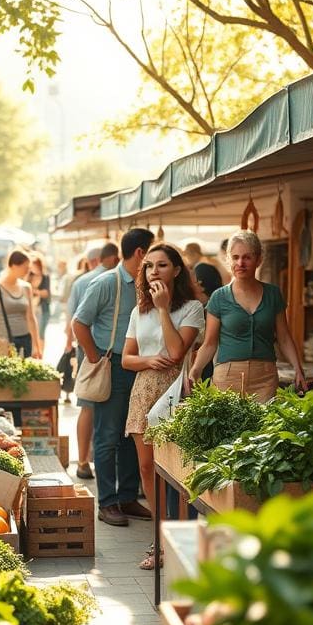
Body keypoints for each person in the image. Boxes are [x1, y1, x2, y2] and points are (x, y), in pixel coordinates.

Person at [121, 243, 204, 568]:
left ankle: (178, 541)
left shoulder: (192, 308)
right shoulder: (137, 310)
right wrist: (148, 360)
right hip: (144, 390)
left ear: (177, 270)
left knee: (176, 471)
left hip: (176, 393)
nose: (154, 271)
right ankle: (161, 537)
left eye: (162, 265)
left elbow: (177, 352)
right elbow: (127, 359)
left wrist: (163, 309)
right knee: (147, 468)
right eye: (149, 266)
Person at [73, 228, 155, 526]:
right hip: (115, 364)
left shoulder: (146, 284)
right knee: (107, 436)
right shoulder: (107, 282)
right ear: (140, 253)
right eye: (152, 253)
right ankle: (107, 503)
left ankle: (127, 497)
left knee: (132, 434)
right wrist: (96, 357)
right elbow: (79, 323)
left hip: (140, 366)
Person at [188, 230, 307, 401]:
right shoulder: (219, 297)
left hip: (265, 377)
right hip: (228, 377)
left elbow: (284, 338)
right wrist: (196, 370)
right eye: (235, 257)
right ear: (229, 260)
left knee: (265, 426)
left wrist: (298, 368)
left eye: (247, 257)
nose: (240, 263)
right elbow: (209, 343)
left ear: (259, 259)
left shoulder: (273, 294)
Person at [65, 241, 120, 479]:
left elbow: (73, 319)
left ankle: (83, 461)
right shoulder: (114, 281)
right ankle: (103, 460)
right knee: (107, 408)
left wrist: (77, 348)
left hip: (88, 353)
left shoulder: (81, 281)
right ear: (111, 258)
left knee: (87, 406)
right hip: (103, 354)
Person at [0, 250, 42, 358]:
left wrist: (37, 346)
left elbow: (31, 318)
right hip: (5, 342)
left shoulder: (26, 287)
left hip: (25, 340)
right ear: (14, 265)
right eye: (26, 268)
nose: (28, 271)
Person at [28, 253, 51, 343]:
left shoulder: (45, 277)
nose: (33, 268)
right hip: (31, 309)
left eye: (35, 266)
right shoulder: (28, 277)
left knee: (40, 334)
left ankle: (40, 354)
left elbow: (46, 293)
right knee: (31, 334)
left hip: (42, 308)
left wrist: (33, 291)